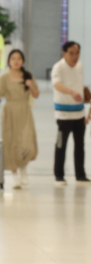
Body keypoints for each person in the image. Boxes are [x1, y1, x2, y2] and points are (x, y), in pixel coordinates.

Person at [0, 50, 40, 189]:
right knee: (11, 142)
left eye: (19, 58)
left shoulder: (28, 76)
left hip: (24, 111)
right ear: (9, 61)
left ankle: (23, 169)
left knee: (27, 143)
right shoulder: (4, 77)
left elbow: (36, 94)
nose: (16, 61)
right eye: (13, 58)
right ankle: (15, 176)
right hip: (10, 112)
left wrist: (31, 86)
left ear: (22, 61)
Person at [51, 41, 91, 186]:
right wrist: (72, 92)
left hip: (79, 114)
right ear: (64, 53)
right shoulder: (58, 67)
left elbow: (79, 84)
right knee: (61, 145)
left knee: (80, 146)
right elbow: (57, 84)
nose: (75, 56)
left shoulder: (79, 66)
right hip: (63, 116)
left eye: (77, 53)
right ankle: (59, 176)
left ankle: (80, 174)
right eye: (71, 53)